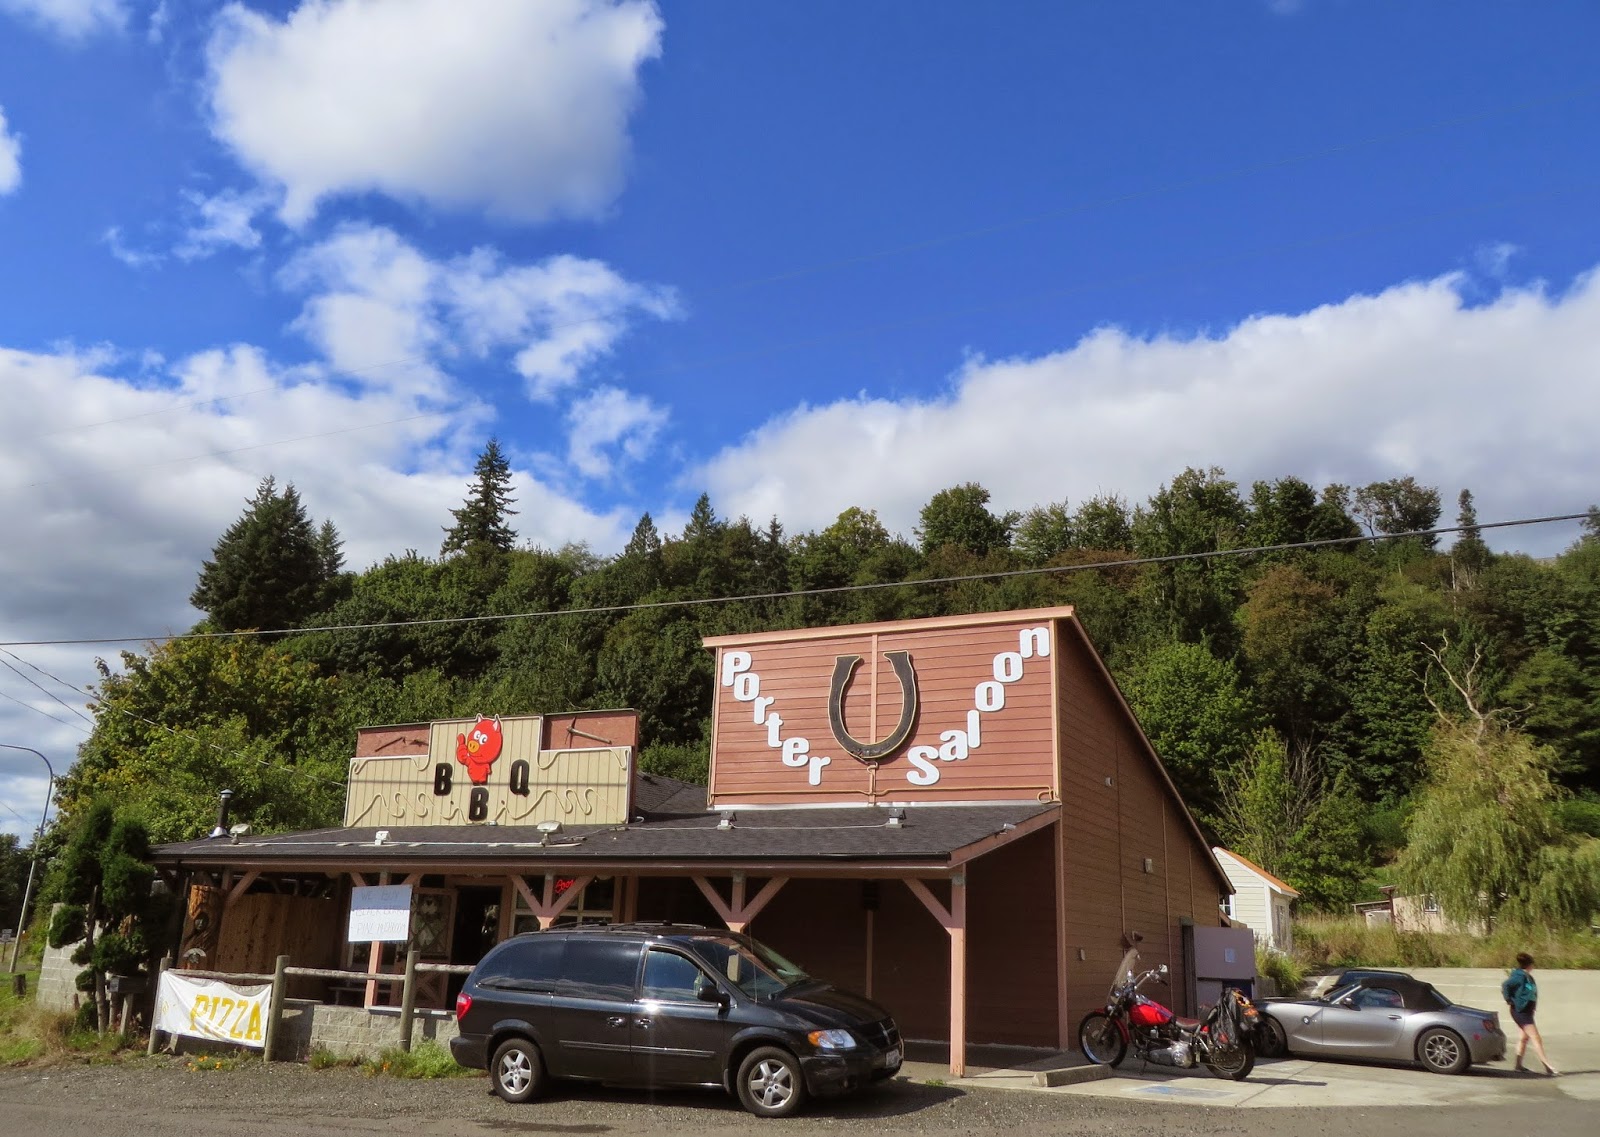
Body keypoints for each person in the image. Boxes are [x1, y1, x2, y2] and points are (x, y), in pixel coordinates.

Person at [1502, 952, 1558, 1075]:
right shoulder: (1519, 976)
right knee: (1536, 1038)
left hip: (1526, 1011)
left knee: (1523, 1038)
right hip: (1520, 1011)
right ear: (1530, 965)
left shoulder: (1528, 977)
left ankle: (1518, 1065)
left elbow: (1531, 993)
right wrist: (1509, 1000)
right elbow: (1506, 985)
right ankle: (1548, 1066)